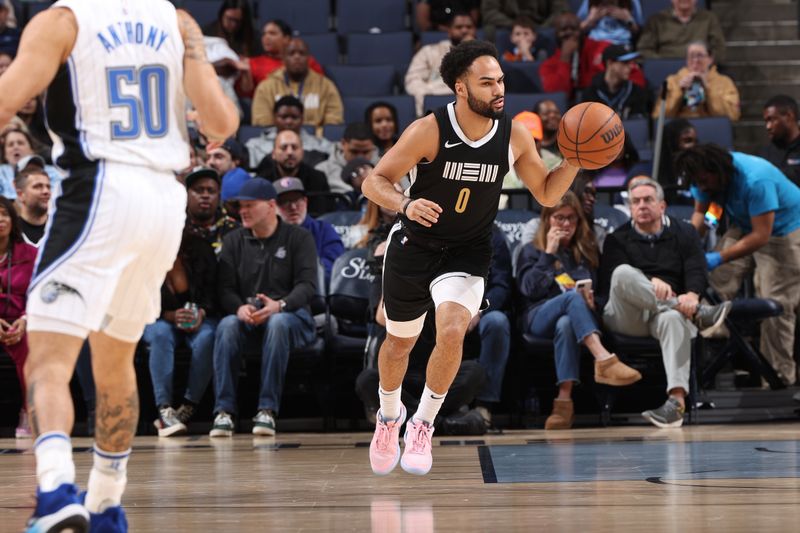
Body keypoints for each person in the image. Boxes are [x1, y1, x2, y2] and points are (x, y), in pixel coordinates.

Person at [0, 1, 239, 530]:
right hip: (161, 203)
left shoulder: (63, 21)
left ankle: (56, 488)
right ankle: (108, 503)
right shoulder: (177, 22)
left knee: (47, 359)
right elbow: (222, 123)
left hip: (100, 189)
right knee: (114, 363)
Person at [361, 40, 580, 476]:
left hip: (468, 248)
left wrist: (574, 159)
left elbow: (547, 193)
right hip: (415, 244)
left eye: (501, 80)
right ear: (460, 88)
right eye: (487, 82)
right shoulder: (429, 129)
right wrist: (404, 204)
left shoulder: (514, 133)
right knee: (400, 342)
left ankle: (423, 422)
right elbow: (374, 181)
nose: (500, 89)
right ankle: (389, 417)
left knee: (454, 328)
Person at [598, 177, 731, 428]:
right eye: (636, 202)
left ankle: (676, 402)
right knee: (622, 273)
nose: (641, 206)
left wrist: (692, 296)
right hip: (627, 315)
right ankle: (696, 314)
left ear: (662, 206)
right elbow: (612, 285)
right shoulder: (617, 238)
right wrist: (652, 283)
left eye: (648, 200)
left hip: (662, 315)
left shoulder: (685, 232)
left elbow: (696, 269)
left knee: (672, 319)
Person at [678, 144, 800, 386]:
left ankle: (778, 378)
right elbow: (703, 214)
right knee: (707, 282)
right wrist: (689, 246)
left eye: (705, 181)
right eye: (697, 183)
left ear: (719, 172)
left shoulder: (756, 180)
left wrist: (719, 257)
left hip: (786, 230)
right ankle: (717, 339)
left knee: (777, 303)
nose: (701, 187)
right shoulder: (700, 173)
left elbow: (761, 236)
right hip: (744, 223)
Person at [517, 192, 641, 429]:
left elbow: (604, 293)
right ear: (547, 220)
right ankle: (604, 359)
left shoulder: (586, 252)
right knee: (571, 300)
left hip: (573, 321)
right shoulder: (532, 250)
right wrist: (548, 255)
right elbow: (528, 290)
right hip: (537, 316)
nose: (565, 224)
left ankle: (563, 405)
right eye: (559, 218)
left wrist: (594, 304)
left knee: (566, 323)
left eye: (571, 219)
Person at [210, 179, 318, 438]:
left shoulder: (298, 237)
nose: (243, 212)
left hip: (291, 316)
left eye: (249, 206)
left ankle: (267, 410)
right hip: (249, 319)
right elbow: (224, 288)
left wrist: (279, 305)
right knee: (226, 324)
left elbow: (308, 286)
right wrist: (238, 308)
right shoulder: (233, 240)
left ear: (271, 206)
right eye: (240, 207)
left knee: (278, 323)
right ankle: (223, 411)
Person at [143, 225, 218, 437]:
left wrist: (201, 312)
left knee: (208, 337)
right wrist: (168, 315)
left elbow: (215, 293)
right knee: (159, 335)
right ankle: (164, 409)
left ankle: (187, 406)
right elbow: (136, 298)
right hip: (159, 318)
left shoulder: (200, 248)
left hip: (199, 319)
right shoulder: (142, 254)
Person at [539, 12, 645, 97]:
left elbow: (636, 77)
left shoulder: (602, 48)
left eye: (573, 29)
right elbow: (557, 96)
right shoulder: (549, 65)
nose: (569, 33)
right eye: (564, 30)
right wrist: (565, 59)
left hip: (600, 102)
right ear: (555, 34)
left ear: (581, 31)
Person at [0, 196, 37, 437]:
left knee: (31, 348)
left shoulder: (30, 253)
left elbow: (40, 291)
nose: (0, 220)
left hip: (23, 320)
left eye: (4, 214)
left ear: (13, 220)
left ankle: (30, 412)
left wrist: (25, 318)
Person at [252, 38, 344, 129]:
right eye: (291, 53)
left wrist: (312, 136)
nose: (297, 57)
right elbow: (261, 123)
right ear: (283, 58)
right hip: (276, 142)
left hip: (315, 142)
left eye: (302, 53)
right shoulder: (266, 87)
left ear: (309, 58)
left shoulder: (326, 86)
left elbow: (333, 123)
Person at [405, 12, 476, 116]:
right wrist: (432, 97)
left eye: (469, 27)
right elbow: (412, 82)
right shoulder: (428, 52)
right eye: (459, 27)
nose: (464, 30)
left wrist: (471, 51)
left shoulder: (483, 57)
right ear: (449, 31)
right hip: (432, 110)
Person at [274, 177, 345, 282]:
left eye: (297, 200)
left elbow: (335, 268)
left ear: (306, 202)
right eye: (285, 202)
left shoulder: (324, 230)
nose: (293, 207)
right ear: (274, 207)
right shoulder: (269, 234)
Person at [657, 41, 740, 121]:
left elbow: (732, 116)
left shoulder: (725, 82)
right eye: (691, 56)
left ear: (710, 59)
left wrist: (708, 91)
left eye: (700, 56)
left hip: (712, 128)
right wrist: (679, 92)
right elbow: (658, 116)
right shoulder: (672, 81)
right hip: (681, 128)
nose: (695, 60)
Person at [239, 19, 324, 97]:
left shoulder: (305, 61)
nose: (266, 37)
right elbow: (246, 95)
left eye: (272, 33)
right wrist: (246, 73)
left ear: (287, 39)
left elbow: (320, 86)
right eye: (264, 34)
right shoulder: (252, 63)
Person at [255, 129, 333, 215]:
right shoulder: (261, 182)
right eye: (284, 148)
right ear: (273, 154)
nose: (289, 152)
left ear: (302, 153)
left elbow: (325, 215)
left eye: (294, 147)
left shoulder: (318, 179)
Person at [246, 96, 333, 169]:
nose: (289, 122)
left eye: (294, 117)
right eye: (284, 117)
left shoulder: (321, 145)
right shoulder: (254, 146)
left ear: (302, 119)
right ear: (274, 118)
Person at [638, 0, 726, 63]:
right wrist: (661, 62)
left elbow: (719, 49)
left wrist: (705, 61)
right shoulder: (656, 20)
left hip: (700, 67)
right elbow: (644, 49)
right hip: (666, 68)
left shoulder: (709, 18)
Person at [582, 44, 652, 120]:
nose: (631, 66)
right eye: (625, 62)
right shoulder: (591, 93)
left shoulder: (636, 92)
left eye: (631, 63)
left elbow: (639, 126)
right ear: (610, 63)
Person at [184, 166, 240, 256]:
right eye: (199, 190)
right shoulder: (176, 229)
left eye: (211, 191)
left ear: (219, 196)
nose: (205, 195)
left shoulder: (235, 232)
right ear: (186, 194)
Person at [315, 122, 378, 195]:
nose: (360, 158)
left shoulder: (384, 170)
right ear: (343, 143)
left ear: (373, 147)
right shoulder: (322, 171)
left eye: (365, 152)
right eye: (354, 152)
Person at [0, 127, 63, 198]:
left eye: (20, 143)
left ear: (32, 150)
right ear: (4, 154)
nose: (16, 147)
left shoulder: (52, 172)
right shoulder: (1, 174)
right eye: (10, 145)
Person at [481, 0, 571, 42]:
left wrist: (542, 27)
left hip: (541, 25)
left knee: (564, 28)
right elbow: (489, 12)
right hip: (509, 25)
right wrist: (515, 25)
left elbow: (561, 10)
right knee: (489, 30)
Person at [760, 95, 800, 187]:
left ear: (789, 116)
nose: (768, 127)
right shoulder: (765, 153)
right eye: (766, 121)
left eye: (772, 120)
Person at [657, 118, 698, 202]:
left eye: (695, 141)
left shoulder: (702, 164)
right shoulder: (658, 170)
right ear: (672, 142)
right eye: (687, 141)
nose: (693, 146)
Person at [206, 138, 251, 207]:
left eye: (218, 157)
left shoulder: (239, 178)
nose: (210, 162)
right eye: (208, 157)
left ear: (236, 160)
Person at [14, 163, 51, 246]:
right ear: (21, 194)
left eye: (48, 187)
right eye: (38, 186)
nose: (46, 191)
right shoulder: (11, 231)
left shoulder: (59, 226)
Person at [577, 0, 643, 47]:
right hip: (596, 44)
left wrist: (627, 19)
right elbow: (577, 30)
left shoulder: (632, 2)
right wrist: (590, 20)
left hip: (622, 44)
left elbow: (638, 32)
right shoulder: (590, 2)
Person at [415, 0, 480, 32]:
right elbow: (423, 24)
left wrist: (465, 27)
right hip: (437, 33)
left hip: (464, 30)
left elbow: (474, 20)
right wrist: (448, 29)